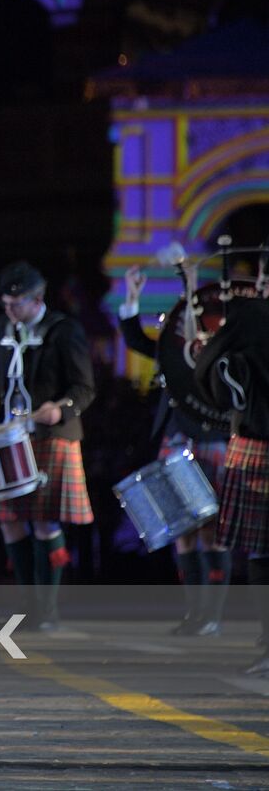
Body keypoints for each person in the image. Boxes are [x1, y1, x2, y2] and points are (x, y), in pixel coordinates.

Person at [0, 261, 95, 629]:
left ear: (37, 299)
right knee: (9, 523)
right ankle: (27, 606)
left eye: (16, 304)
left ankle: (47, 611)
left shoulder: (64, 330)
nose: (9, 311)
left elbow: (84, 388)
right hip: (9, 438)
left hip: (51, 437)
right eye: (5, 303)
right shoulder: (2, 329)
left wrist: (61, 409)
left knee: (45, 523)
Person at [120, 265, 230, 635]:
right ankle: (194, 614)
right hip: (176, 435)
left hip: (212, 436)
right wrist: (133, 296)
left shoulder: (223, 337)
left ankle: (213, 616)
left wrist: (195, 284)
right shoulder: (172, 343)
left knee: (211, 529)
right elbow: (137, 341)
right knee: (183, 530)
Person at [195, 289, 269, 674]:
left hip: (256, 449)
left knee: (260, 553)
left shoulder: (238, 352)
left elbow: (207, 380)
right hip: (254, 449)